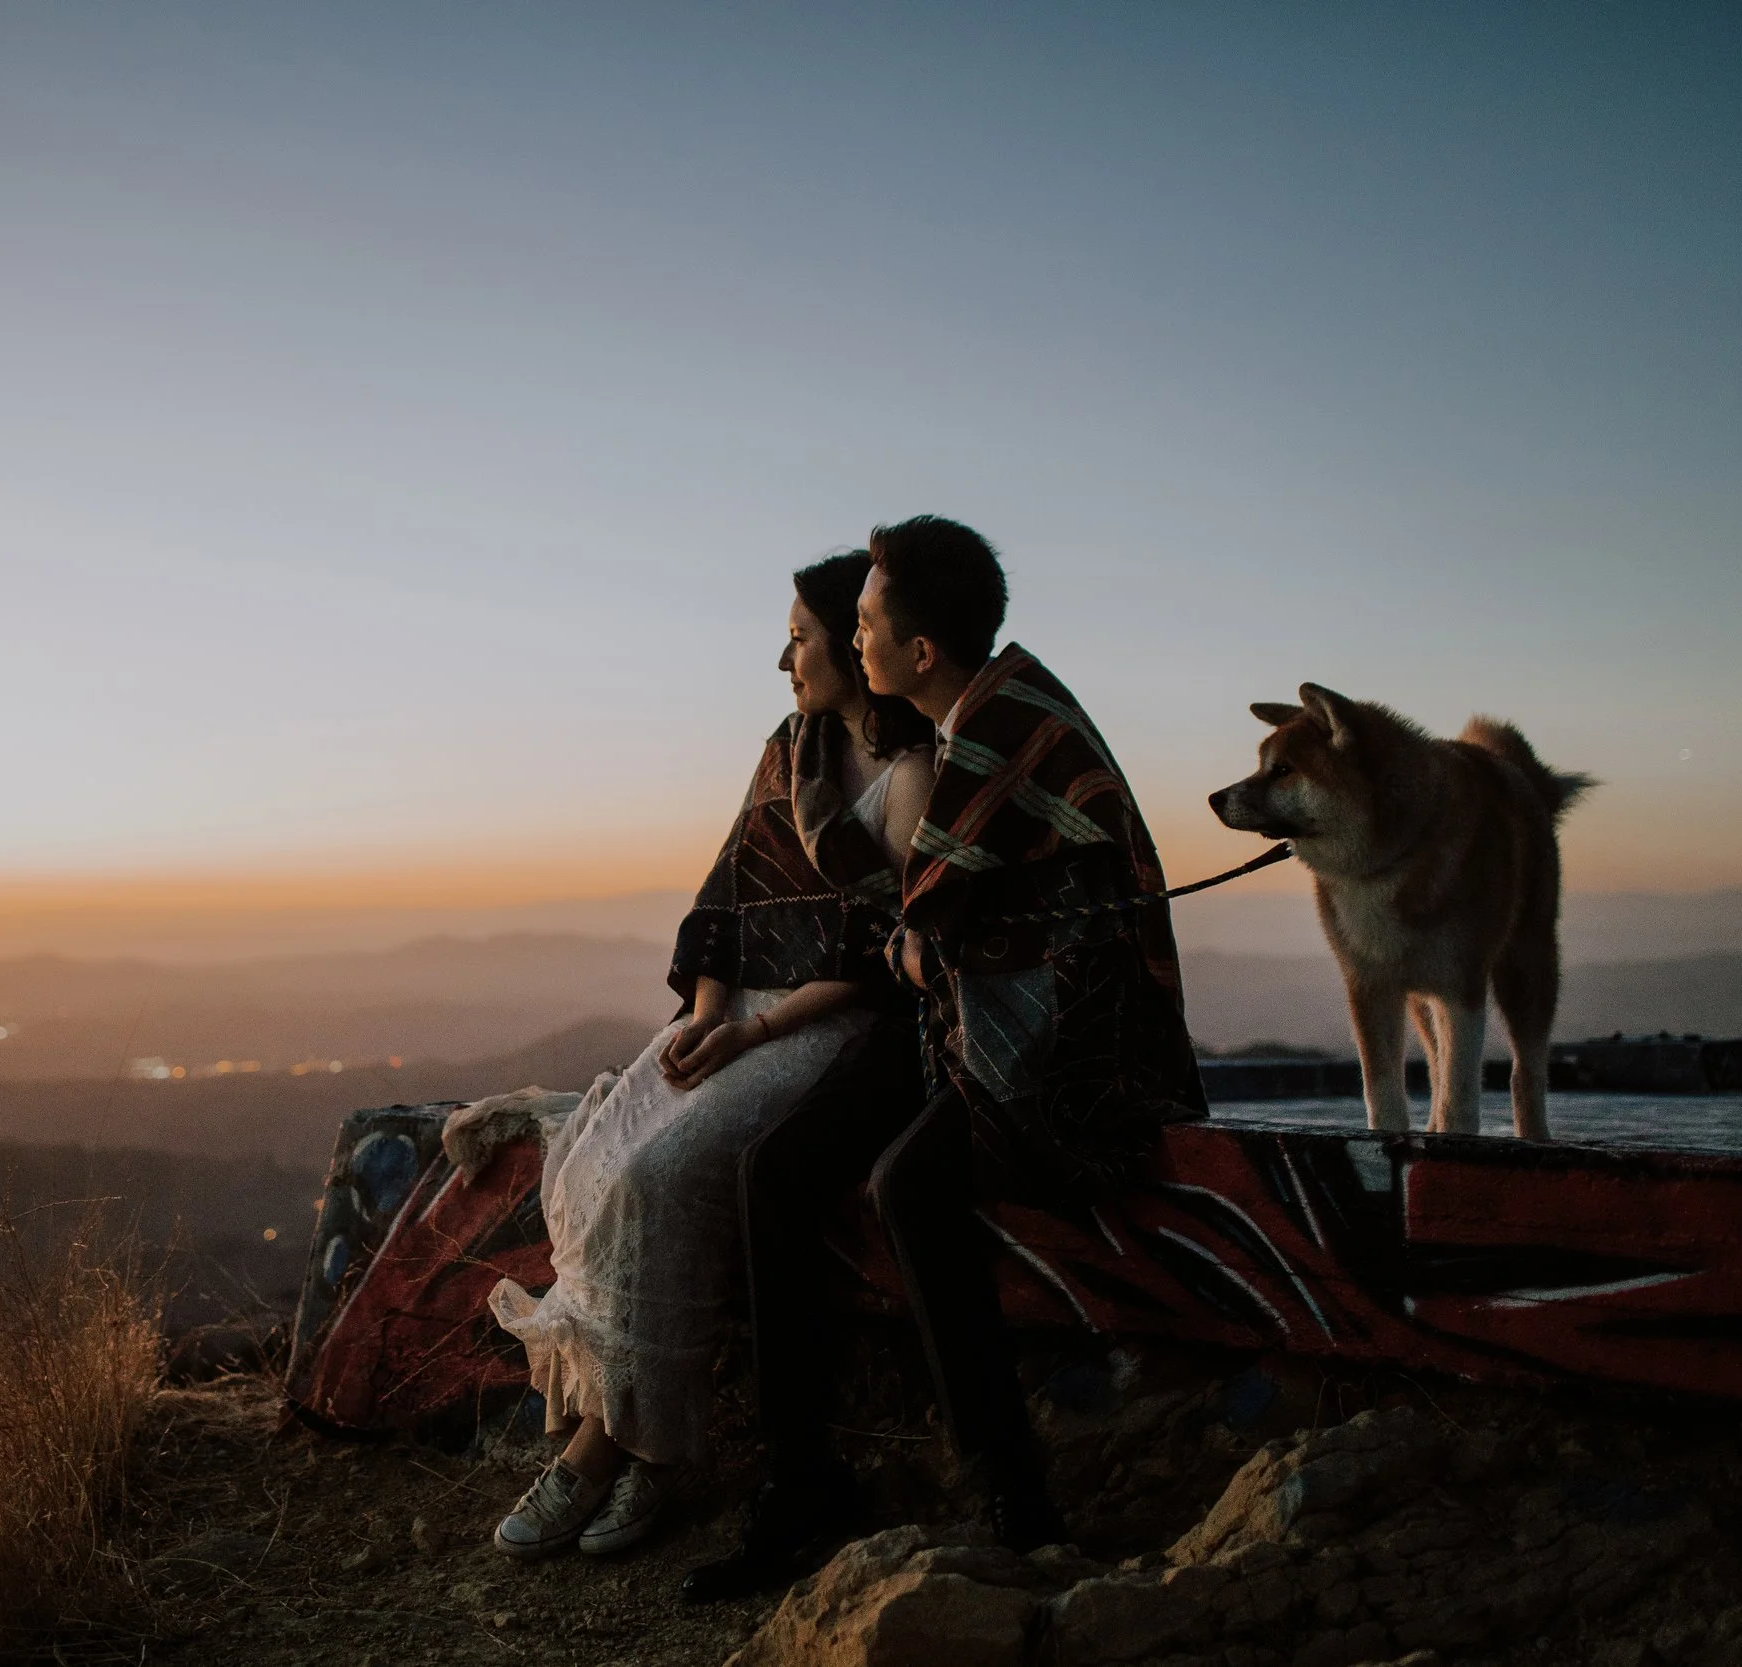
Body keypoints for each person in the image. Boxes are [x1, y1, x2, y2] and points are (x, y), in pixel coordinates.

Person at [682, 515, 1207, 1602]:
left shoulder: (1001, 720)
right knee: (775, 1172)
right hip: (963, 1034)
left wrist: (926, 949)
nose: (854, 638)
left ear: (920, 651)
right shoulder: (971, 713)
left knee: (909, 1184)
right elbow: (925, 926)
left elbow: (964, 925)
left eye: (865, 622)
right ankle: (803, 1478)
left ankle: (1013, 1497)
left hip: (1074, 1054)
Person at [484, 552, 937, 1561]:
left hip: (827, 1025)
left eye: (804, 637)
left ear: (853, 647)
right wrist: (704, 1012)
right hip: (737, 1009)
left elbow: (880, 958)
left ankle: (629, 1453)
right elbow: (726, 896)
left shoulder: (911, 779)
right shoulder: (791, 749)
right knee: (601, 1158)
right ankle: (602, 1425)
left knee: (669, 1171)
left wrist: (757, 1030)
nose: (786, 658)